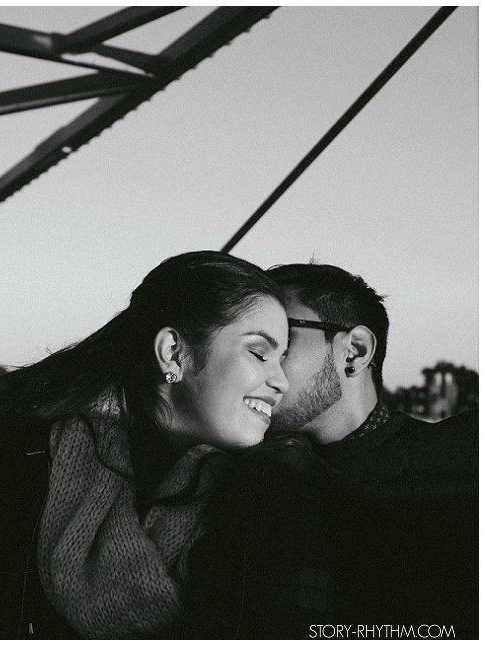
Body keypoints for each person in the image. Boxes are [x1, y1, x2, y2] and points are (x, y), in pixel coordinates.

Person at [0, 250, 290, 638]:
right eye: (259, 353)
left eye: (282, 358)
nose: (281, 382)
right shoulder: (21, 472)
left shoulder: (265, 497)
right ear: (173, 353)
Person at [184, 262, 478, 638]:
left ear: (354, 352)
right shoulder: (220, 475)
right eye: (253, 346)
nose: (256, 367)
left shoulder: (457, 463)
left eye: (283, 341)